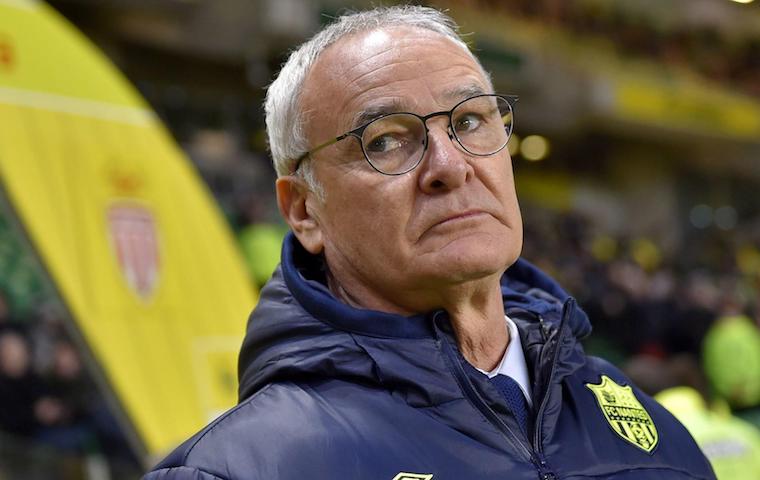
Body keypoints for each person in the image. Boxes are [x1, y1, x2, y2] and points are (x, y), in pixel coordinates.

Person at [145, 6, 715, 479]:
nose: (450, 165)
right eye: (385, 140)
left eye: (469, 122)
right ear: (303, 210)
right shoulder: (239, 468)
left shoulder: (656, 436)